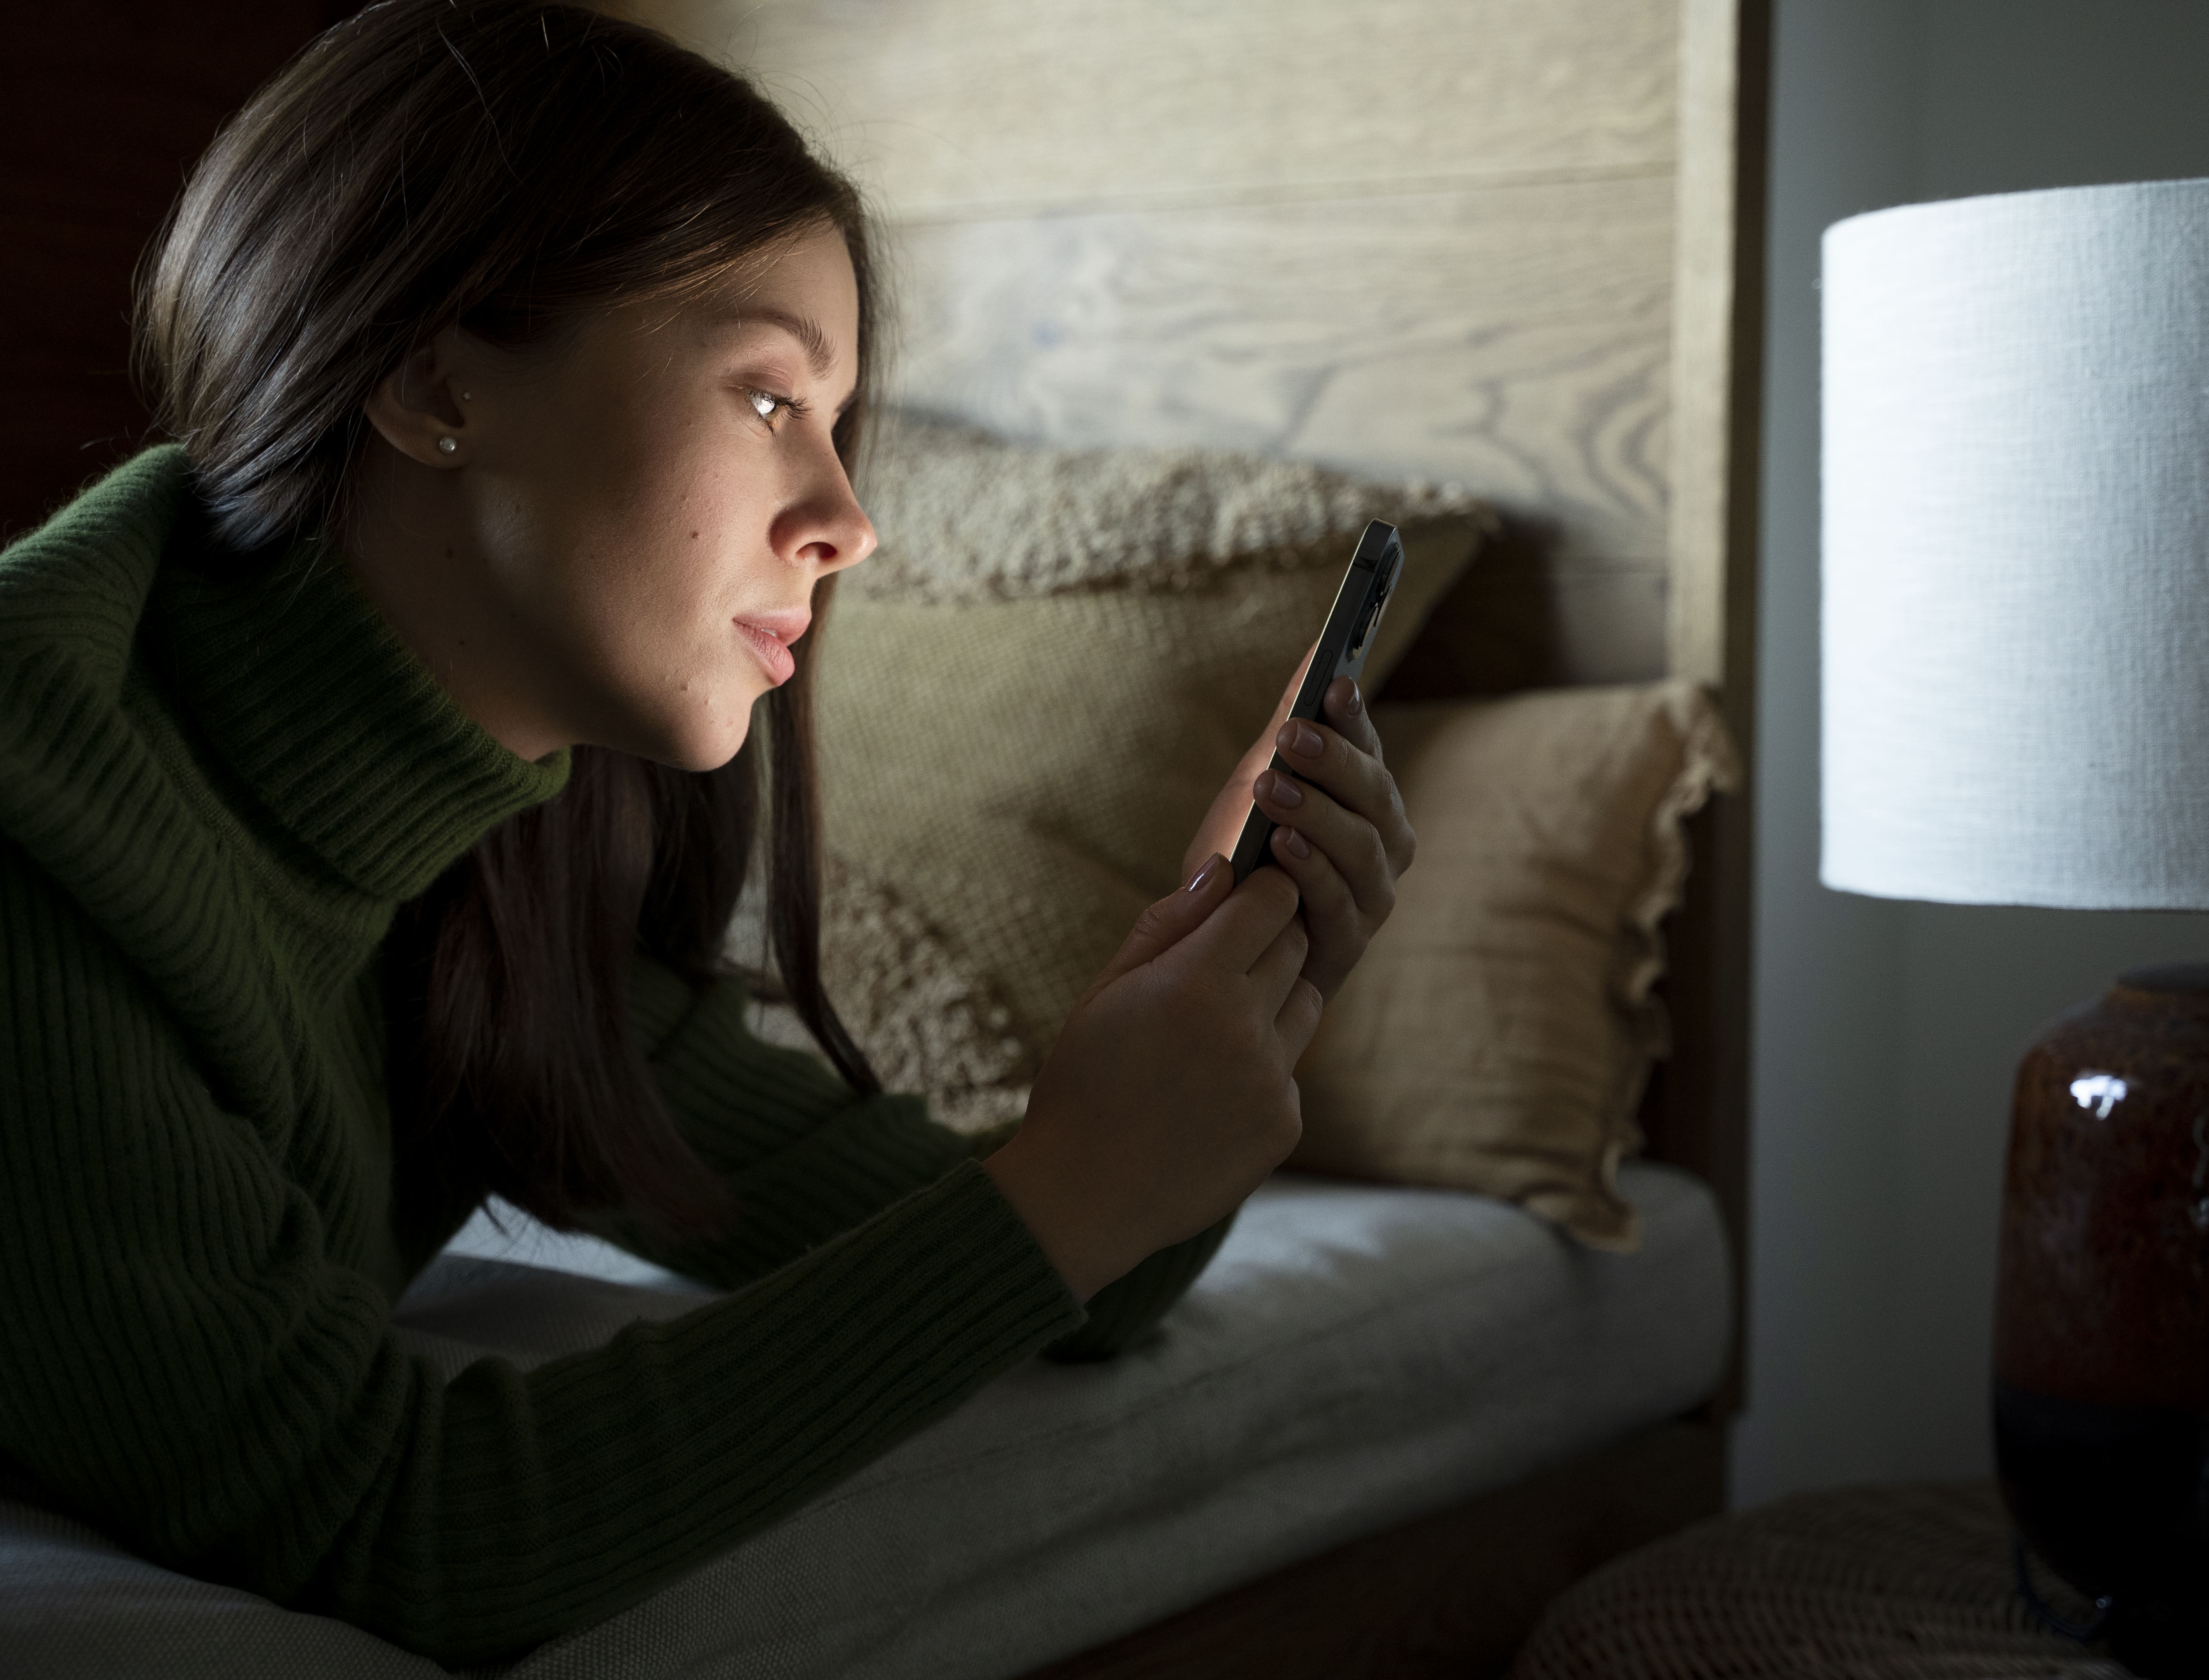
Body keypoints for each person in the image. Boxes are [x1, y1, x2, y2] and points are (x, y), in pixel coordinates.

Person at [0, 0, 1412, 1664]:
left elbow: (1069, 1271)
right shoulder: (43, 857)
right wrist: (1079, 1182)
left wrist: (1229, 971)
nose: (850, 520)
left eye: (836, 421)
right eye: (767, 397)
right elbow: (401, 1523)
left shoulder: (489, 876)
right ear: (434, 377)